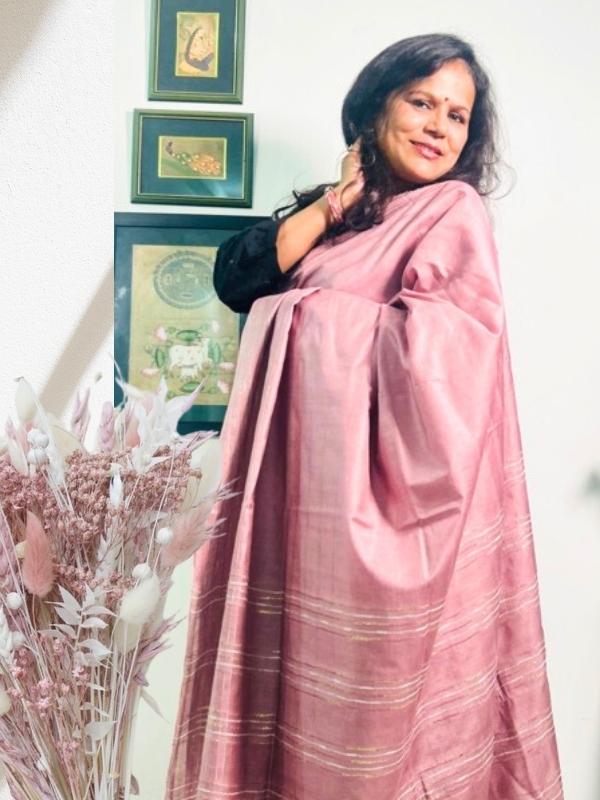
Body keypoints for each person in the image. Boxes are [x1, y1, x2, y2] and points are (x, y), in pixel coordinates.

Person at [166, 33, 564, 800]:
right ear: (376, 106)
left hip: (385, 527)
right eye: (421, 102)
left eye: (457, 115)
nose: (438, 126)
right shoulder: (343, 212)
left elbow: (449, 360)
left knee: (366, 721)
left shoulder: (452, 211)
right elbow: (237, 280)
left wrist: (307, 315)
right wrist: (333, 204)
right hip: (296, 509)